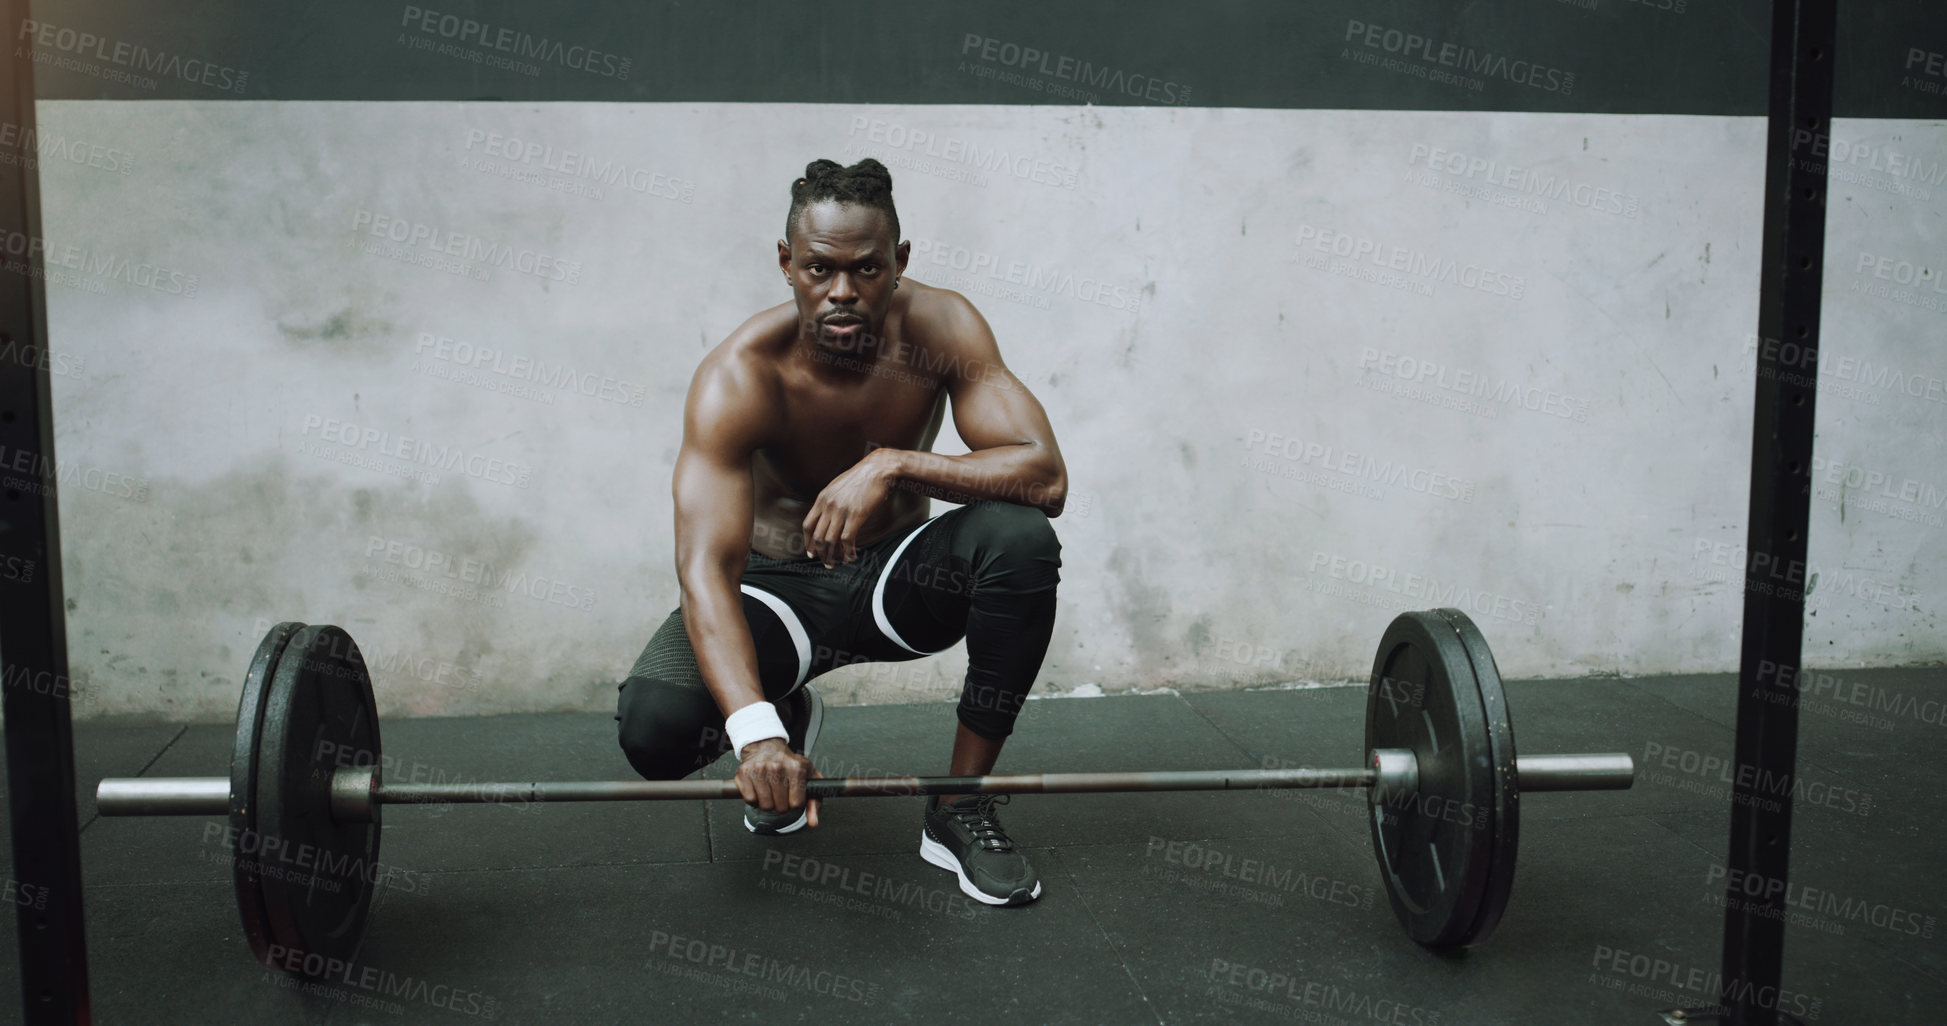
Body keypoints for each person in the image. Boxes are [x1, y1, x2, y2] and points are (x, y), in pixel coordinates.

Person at [615, 158, 1067, 906]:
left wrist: (892, 466)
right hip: (775, 592)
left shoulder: (940, 326)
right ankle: (784, 709)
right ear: (787, 264)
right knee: (655, 731)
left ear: (900, 263)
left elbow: (1042, 477)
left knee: (1019, 539)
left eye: (866, 269)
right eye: (820, 268)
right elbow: (705, 568)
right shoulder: (740, 375)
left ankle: (957, 805)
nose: (843, 292)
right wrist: (755, 735)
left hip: (898, 580)